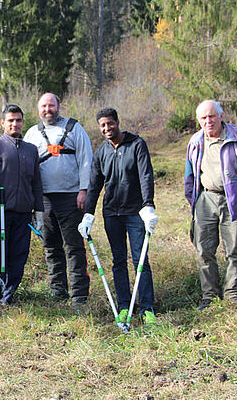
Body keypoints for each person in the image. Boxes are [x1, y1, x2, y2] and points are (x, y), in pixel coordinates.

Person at [78, 107, 158, 324]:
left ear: (117, 122)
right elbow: (94, 186)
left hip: (135, 213)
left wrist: (148, 205)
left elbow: (146, 176)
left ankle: (147, 308)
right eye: (102, 125)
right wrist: (88, 215)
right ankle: (124, 306)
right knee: (118, 261)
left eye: (110, 123)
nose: (107, 128)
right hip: (112, 214)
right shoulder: (101, 153)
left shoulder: (136, 145)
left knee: (140, 259)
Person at [185, 100, 237, 310]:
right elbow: (189, 175)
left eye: (212, 116)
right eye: (203, 118)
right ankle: (209, 296)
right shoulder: (195, 141)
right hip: (205, 199)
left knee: (235, 249)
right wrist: (192, 199)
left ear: (221, 115)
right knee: (203, 250)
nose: (208, 121)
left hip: (233, 200)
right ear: (198, 120)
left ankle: (232, 293)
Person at [23, 93, 93, 307]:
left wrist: (84, 190)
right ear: (38, 109)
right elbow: (25, 167)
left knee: (74, 246)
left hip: (71, 197)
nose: (48, 109)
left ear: (58, 106)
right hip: (43, 200)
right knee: (51, 247)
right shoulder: (32, 134)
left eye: (51, 105)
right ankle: (58, 290)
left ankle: (79, 294)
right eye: (44, 106)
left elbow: (86, 160)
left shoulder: (74, 129)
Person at [0, 104, 44, 305]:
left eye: (18, 120)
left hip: (23, 212)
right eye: (10, 120)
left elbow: (37, 183)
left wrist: (39, 210)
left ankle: (10, 293)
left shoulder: (31, 150)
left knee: (19, 254)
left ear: (23, 122)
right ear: (3, 123)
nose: (14, 124)